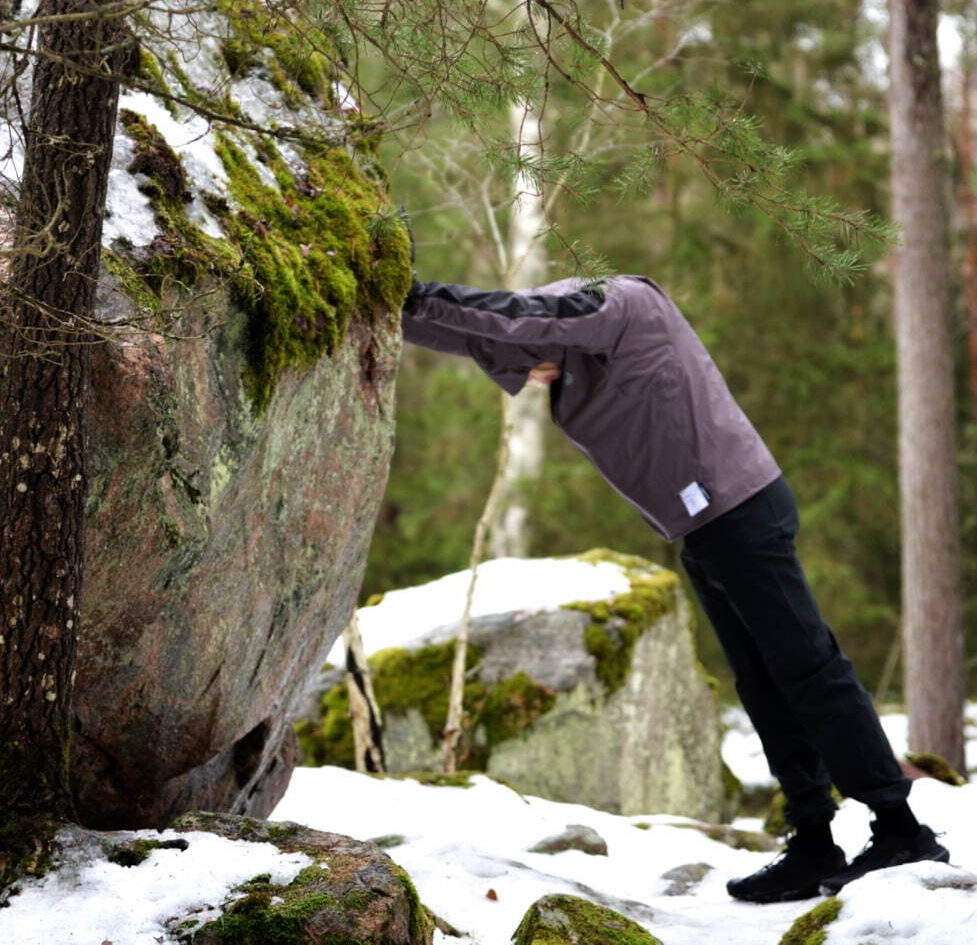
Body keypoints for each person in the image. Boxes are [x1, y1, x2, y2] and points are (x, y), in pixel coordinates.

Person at [401, 271, 950, 902]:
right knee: (765, 687)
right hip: (710, 528)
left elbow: (516, 315)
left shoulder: (615, 307)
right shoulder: (583, 342)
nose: (537, 381)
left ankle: (901, 830)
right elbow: (486, 333)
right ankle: (813, 843)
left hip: (742, 511)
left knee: (809, 671)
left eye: (533, 370)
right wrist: (389, 308)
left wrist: (417, 294)